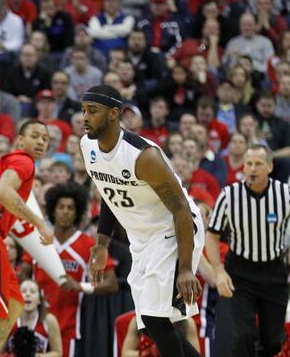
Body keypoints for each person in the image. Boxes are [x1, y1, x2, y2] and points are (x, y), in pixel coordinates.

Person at [81, 85, 204, 357]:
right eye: (83, 111)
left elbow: (181, 209)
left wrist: (185, 268)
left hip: (174, 230)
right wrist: (101, 245)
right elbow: (108, 192)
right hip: (143, 238)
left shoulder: (143, 156)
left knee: (156, 320)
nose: (85, 117)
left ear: (114, 114)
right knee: (148, 324)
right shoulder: (86, 146)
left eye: (93, 111)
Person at [0, 120, 64, 355]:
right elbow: (4, 193)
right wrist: (41, 223)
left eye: (45, 138)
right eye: (35, 135)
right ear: (20, 140)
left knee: (14, 303)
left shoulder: (19, 163)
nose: (41, 141)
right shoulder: (23, 161)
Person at [205, 144, 290, 357]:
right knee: (242, 335)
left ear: (270, 167)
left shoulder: (284, 195)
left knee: (273, 341)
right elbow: (212, 235)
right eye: (249, 163)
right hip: (240, 273)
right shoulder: (229, 195)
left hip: (274, 272)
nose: (252, 169)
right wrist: (218, 270)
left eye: (258, 164)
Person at [25, 182, 119, 356]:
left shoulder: (88, 244)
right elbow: (22, 275)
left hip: (71, 328)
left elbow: (112, 283)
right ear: (53, 210)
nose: (66, 211)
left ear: (77, 212)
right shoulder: (38, 240)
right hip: (35, 325)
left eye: (70, 207)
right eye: (61, 207)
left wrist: (81, 286)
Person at [3, 279, 62, 357]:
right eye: (23, 291)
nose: (28, 294)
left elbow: (58, 353)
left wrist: (36, 356)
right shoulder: (8, 320)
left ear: (39, 300)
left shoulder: (49, 321)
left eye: (33, 291)